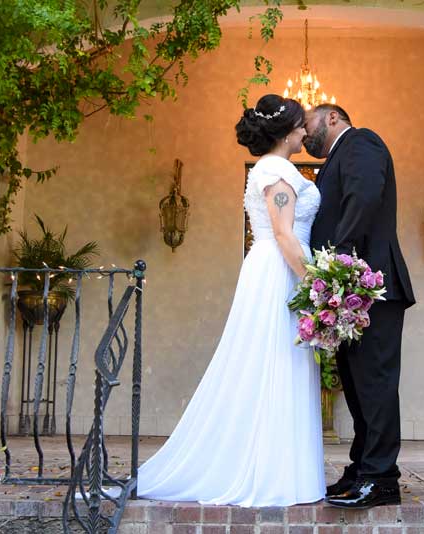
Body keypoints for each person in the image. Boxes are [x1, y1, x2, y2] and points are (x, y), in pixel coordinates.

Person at [130, 94, 324, 507]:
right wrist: (315, 287)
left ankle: (280, 468)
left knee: (278, 362)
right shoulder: (275, 169)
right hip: (280, 269)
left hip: (277, 267)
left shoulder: (273, 168)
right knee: (274, 361)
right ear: (288, 131)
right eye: (301, 125)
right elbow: (285, 233)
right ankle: (268, 472)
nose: (307, 130)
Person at [304, 104, 415, 509]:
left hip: (371, 286)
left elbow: (364, 196)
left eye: (308, 122)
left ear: (332, 117)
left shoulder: (360, 141)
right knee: (357, 385)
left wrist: (342, 256)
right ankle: (361, 469)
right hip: (351, 289)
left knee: (376, 384)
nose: (304, 131)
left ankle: (382, 479)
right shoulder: (337, 157)